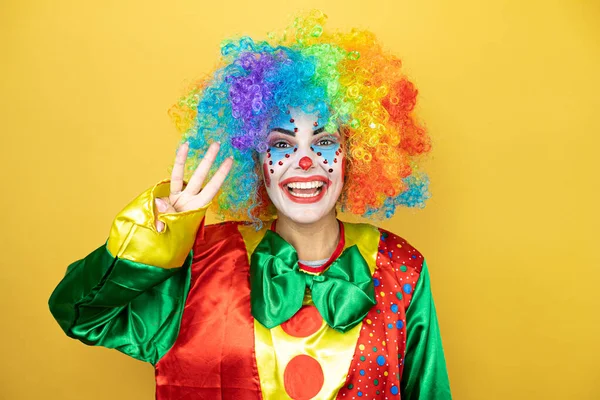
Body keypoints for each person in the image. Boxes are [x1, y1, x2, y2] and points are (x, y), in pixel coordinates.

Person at [49, 10, 452, 400]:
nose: (305, 161)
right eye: (282, 145)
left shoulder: (401, 268)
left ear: (356, 155)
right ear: (257, 164)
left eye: (325, 142)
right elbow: (80, 313)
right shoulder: (204, 261)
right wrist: (158, 238)